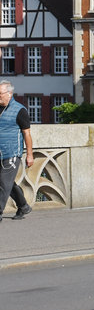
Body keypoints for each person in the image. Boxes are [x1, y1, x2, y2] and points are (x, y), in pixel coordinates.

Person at [0, 80, 34, 221]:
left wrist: (30, 155)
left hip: (12, 153)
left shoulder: (20, 110)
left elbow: (27, 134)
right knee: (7, 183)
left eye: (0, 94)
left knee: (3, 183)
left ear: (9, 93)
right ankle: (23, 206)